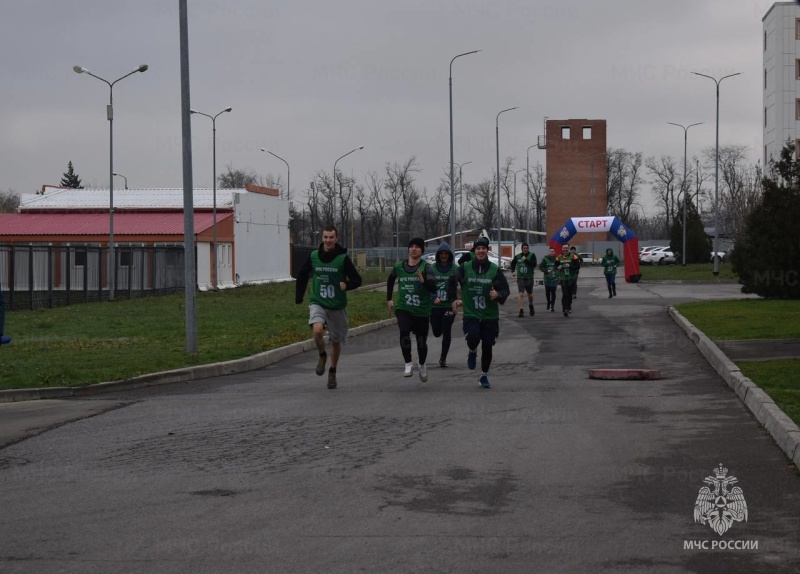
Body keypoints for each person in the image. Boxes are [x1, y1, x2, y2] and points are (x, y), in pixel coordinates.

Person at [295, 225, 362, 389]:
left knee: (336, 342)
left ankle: (332, 371)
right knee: (317, 330)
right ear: (322, 238)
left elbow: (357, 280)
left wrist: (347, 284)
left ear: (336, 239)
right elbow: (303, 274)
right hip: (318, 301)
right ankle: (322, 355)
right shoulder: (314, 256)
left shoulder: (342, 258)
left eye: (331, 237)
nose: (328, 240)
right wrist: (299, 296)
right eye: (325, 237)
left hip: (337, 305)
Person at [448, 236, 510, 389]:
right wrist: (453, 299)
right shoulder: (465, 267)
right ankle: (472, 349)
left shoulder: (494, 269)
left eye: (483, 248)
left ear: (487, 251)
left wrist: (498, 295)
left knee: (488, 345)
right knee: (473, 337)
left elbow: (505, 289)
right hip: (471, 313)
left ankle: (484, 375)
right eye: (478, 249)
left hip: (490, 315)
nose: (481, 251)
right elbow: (451, 282)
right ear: (474, 251)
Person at [387, 237, 438, 382]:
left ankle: (421, 364)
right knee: (404, 331)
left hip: (421, 310)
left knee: (421, 342)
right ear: (408, 249)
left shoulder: (426, 267)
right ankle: (408, 363)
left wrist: (424, 281)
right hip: (404, 307)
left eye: (417, 247)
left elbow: (434, 286)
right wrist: (389, 299)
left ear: (422, 251)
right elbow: (390, 280)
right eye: (412, 246)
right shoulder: (399, 266)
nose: (414, 249)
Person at [429, 242, 458, 367]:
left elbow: (463, 283)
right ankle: (438, 329)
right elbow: (427, 286)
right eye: (442, 254)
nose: (444, 256)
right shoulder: (432, 268)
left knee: (447, 330)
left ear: (450, 255)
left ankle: (443, 358)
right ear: (438, 255)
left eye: (446, 254)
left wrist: (458, 300)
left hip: (448, 305)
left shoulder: (455, 269)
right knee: (436, 332)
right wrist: (433, 297)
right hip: (434, 306)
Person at [510, 242, 537, 317]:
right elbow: (512, 264)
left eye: (526, 248)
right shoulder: (518, 256)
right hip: (520, 278)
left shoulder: (532, 255)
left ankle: (531, 305)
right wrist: (512, 271)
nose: (525, 249)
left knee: (530, 295)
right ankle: (521, 310)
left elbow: (534, 264)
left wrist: (526, 260)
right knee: (521, 294)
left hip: (529, 278)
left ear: (528, 249)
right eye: (523, 248)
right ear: (521, 249)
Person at [556, 244, 581, 317]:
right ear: (562, 249)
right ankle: (565, 309)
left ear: (569, 249)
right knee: (565, 294)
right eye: (564, 248)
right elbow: (555, 265)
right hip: (563, 278)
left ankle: (569, 305)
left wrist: (570, 266)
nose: (565, 249)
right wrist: (558, 267)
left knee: (569, 294)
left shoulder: (574, 256)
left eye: (566, 248)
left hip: (571, 278)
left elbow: (578, 266)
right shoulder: (559, 257)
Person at [539, 246, 559, 312]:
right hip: (547, 278)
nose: (551, 252)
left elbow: (560, 266)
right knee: (547, 292)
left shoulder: (557, 259)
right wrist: (546, 270)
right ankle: (548, 302)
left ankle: (552, 305)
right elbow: (541, 267)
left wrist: (559, 269)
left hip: (554, 278)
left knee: (553, 292)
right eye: (550, 251)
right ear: (549, 252)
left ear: (555, 252)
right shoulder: (545, 259)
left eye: (553, 251)